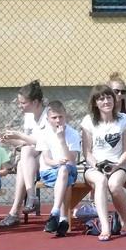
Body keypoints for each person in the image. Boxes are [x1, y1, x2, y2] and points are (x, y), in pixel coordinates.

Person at [81, 85, 126, 241]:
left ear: (114, 99)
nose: (106, 101)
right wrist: (97, 165)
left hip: (118, 165)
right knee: (101, 181)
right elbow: (87, 152)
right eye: (101, 99)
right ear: (95, 103)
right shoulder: (88, 121)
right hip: (94, 167)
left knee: (114, 185)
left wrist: (117, 165)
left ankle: (125, 222)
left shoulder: (124, 120)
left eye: (109, 97)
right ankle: (105, 226)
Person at [0, 80, 47, 228]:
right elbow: (27, 143)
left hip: (50, 157)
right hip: (33, 157)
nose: (20, 106)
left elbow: (43, 144)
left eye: (23, 103)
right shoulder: (29, 117)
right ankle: (19, 208)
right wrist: (10, 140)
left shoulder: (48, 115)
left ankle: (25, 202)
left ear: (35, 102)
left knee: (24, 156)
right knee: (21, 163)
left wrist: (19, 135)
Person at [37, 101, 81, 238]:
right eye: (54, 117)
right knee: (65, 177)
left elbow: (71, 159)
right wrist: (56, 162)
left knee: (64, 170)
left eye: (60, 117)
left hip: (69, 169)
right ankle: (63, 219)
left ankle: (54, 212)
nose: (58, 120)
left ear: (65, 116)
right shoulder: (43, 134)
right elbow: (46, 160)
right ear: (48, 119)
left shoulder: (72, 133)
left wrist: (62, 139)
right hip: (49, 170)